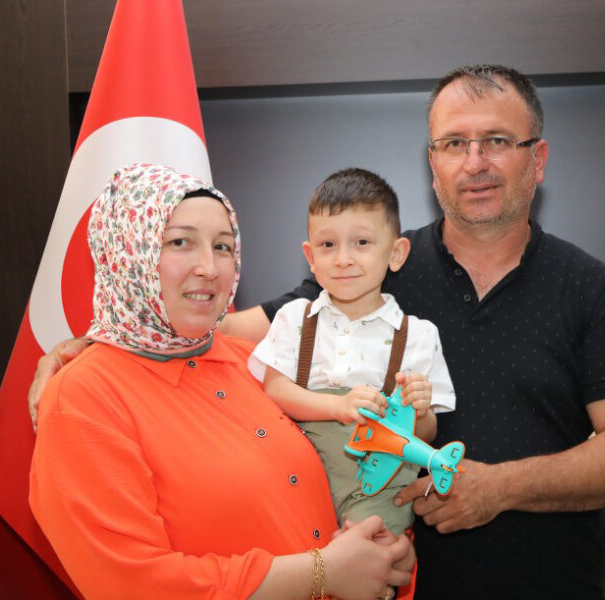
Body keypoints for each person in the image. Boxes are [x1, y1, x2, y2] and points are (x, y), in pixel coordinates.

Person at [32, 65, 605, 599]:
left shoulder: (585, 285)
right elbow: (207, 326)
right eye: (454, 143)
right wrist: (96, 343)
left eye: (497, 140)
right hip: (391, 579)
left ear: (539, 159)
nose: (474, 162)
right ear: (432, 164)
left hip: (547, 585)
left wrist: (499, 488)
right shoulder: (364, 267)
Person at [30, 163, 413, 600]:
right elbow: (133, 584)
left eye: (223, 246)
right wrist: (324, 572)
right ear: (128, 253)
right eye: (180, 242)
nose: (210, 267)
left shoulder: (258, 362)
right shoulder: (82, 396)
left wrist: (384, 557)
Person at [248, 168, 456, 536]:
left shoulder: (418, 335)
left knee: (372, 549)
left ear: (396, 253)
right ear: (310, 256)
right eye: (328, 245)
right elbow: (275, 389)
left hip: (372, 487)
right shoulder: (295, 318)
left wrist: (419, 409)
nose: (343, 258)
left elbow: (425, 433)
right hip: (297, 480)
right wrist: (337, 406)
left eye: (361, 242)